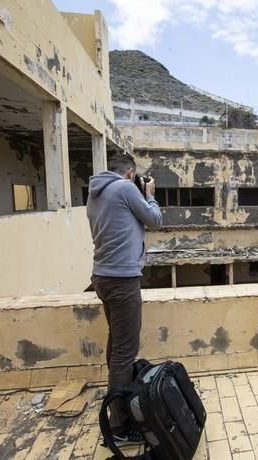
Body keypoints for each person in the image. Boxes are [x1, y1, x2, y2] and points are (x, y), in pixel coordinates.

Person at [86, 154, 162, 444]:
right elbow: (154, 220)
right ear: (130, 173)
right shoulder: (126, 188)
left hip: (102, 277)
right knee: (124, 352)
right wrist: (150, 195)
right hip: (123, 280)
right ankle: (118, 425)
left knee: (115, 344)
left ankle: (117, 403)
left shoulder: (96, 193)